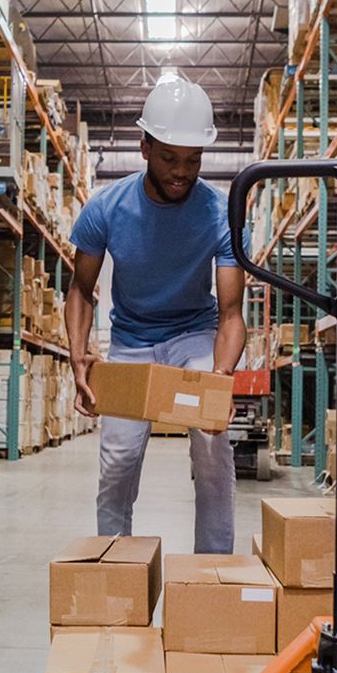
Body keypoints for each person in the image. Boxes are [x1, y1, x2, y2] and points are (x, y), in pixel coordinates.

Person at [66, 76, 248, 554]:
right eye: (169, 158)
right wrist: (79, 355)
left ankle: (213, 571)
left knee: (212, 440)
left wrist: (222, 377)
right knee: (119, 460)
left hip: (194, 336)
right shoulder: (106, 208)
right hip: (131, 343)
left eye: (193, 160)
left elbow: (231, 313)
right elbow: (81, 290)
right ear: (143, 146)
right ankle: (114, 565)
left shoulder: (220, 214)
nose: (181, 172)